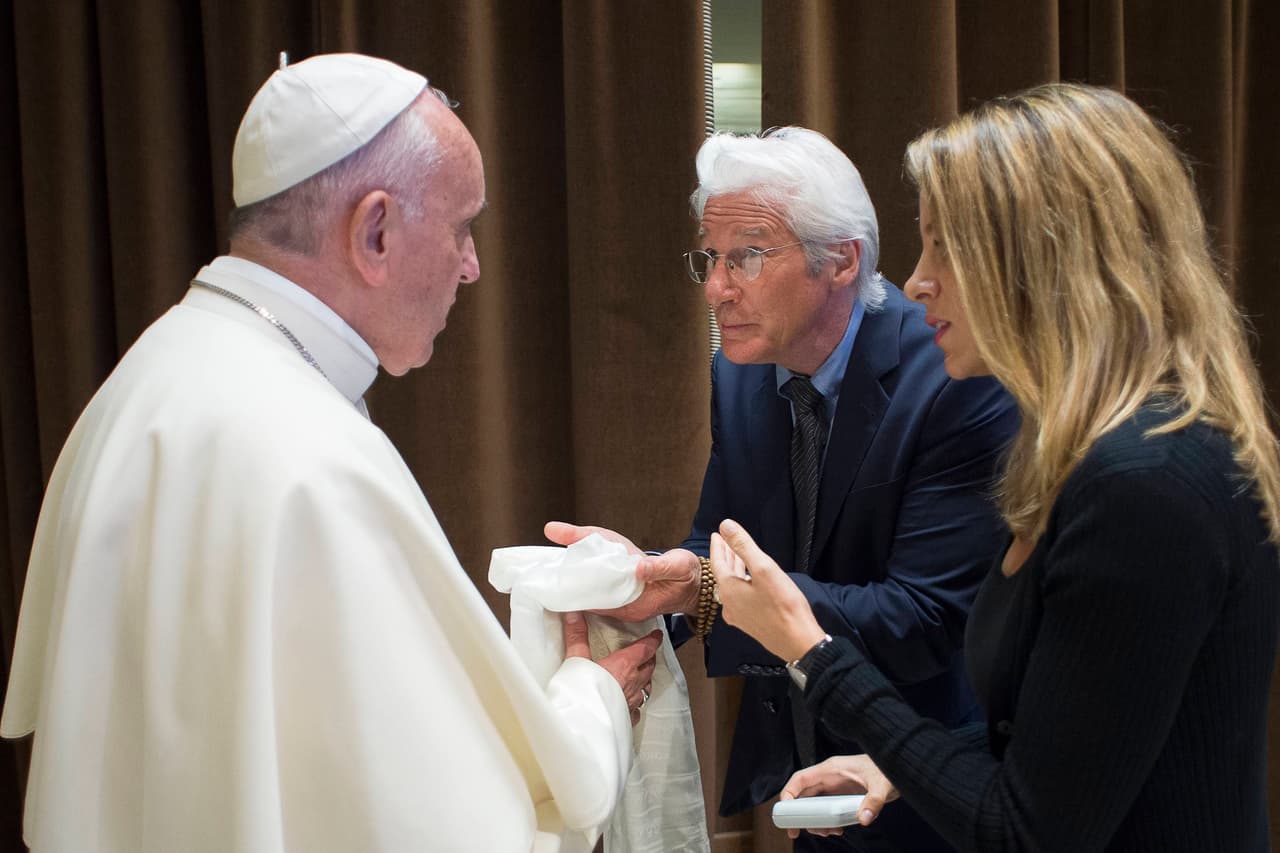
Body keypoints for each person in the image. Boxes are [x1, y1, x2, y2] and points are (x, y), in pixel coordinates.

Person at [0, 53, 663, 853]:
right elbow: (451, 830)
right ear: (374, 230)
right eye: (461, 227)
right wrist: (592, 698)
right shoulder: (311, 460)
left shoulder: (142, 381)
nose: (473, 264)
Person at [706, 82, 1280, 852]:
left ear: (1045, 261)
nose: (916, 281)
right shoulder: (1104, 452)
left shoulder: (1143, 481)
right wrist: (902, 763)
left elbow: (1029, 832)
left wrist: (810, 648)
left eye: (946, 245)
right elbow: (1075, 744)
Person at [547, 127, 1018, 852]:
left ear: (841, 260)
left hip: (935, 788)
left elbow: (926, 615)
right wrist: (634, 581)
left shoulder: (952, 370)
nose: (715, 287)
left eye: (749, 256)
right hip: (810, 783)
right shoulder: (739, 371)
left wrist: (698, 585)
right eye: (711, 257)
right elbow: (719, 540)